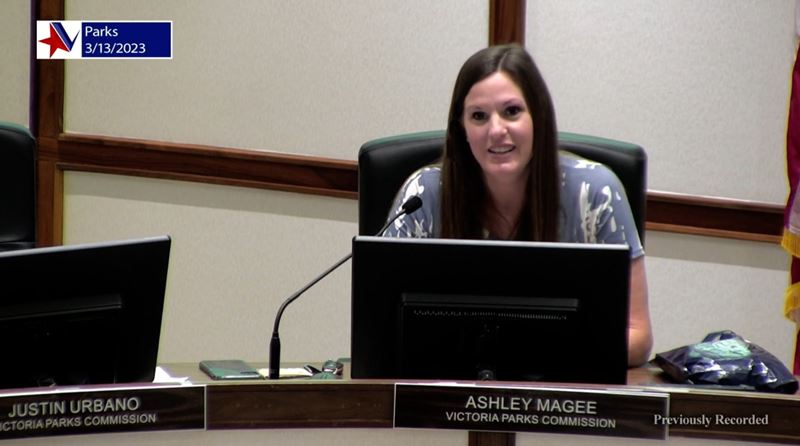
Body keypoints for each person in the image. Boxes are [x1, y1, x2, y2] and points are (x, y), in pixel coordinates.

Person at [382, 44, 653, 367]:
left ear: (538, 117)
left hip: (560, 396)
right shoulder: (423, 197)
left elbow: (637, 335)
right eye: (479, 116)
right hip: (447, 394)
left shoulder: (596, 194)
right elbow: (381, 326)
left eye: (511, 111)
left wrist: (536, 354)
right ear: (462, 129)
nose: (496, 131)